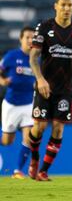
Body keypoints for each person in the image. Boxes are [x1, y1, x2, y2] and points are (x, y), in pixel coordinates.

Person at [28, 0, 72, 181]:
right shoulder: (44, 27)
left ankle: (43, 171)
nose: (66, 8)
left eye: (70, 5)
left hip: (65, 89)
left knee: (58, 128)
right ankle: (34, 157)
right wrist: (40, 79)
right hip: (44, 86)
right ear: (56, 6)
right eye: (63, 5)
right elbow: (33, 58)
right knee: (39, 128)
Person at [0, 26, 35, 179]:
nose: (30, 40)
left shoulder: (37, 59)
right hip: (11, 105)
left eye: (33, 37)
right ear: (21, 39)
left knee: (29, 137)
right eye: (27, 37)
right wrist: (3, 81)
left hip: (29, 103)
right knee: (7, 141)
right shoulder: (12, 56)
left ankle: (17, 171)